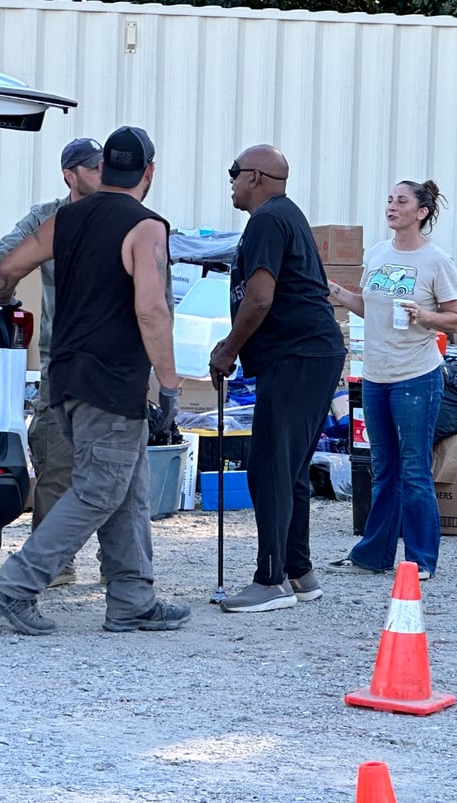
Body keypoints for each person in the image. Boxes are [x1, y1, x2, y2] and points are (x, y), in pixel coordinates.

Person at [0, 125, 190, 635]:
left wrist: (4, 297)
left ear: (106, 169)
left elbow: (6, 266)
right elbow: (152, 311)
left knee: (128, 488)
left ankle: (132, 598)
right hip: (113, 379)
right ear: (149, 172)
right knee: (98, 489)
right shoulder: (146, 228)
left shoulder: (64, 218)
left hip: (66, 374)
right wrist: (169, 383)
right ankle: (15, 586)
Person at [209, 144, 345, 613]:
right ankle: (298, 570)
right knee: (289, 469)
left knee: (267, 467)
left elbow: (261, 299)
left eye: (234, 172)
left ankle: (270, 581)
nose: (230, 181)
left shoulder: (269, 219)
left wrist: (229, 349)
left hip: (298, 354)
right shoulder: (283, 216)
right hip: (310, 354)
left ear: (256, 177)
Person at [0, 138, 103, 586]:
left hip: (112, 361)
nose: (102, 173)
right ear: (70, 175)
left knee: (117, 464)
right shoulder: (47, 219)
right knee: (57, 460)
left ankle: (119, 569)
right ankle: (55, 563)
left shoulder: (120, 216)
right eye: (93, 167)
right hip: (61, 362)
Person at [327, 180, 457, 581]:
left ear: (421, 212)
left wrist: (426, 317)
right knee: (383, 468)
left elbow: (454, 318)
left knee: (414, 468)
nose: (392, 206)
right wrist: (332, 290)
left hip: (416, 376)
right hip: (376, 376)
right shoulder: (378, 253)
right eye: (389, 200)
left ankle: (421, 560)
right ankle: (374, 554)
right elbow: (369, 306)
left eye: (401, 201)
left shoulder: (437, 260)